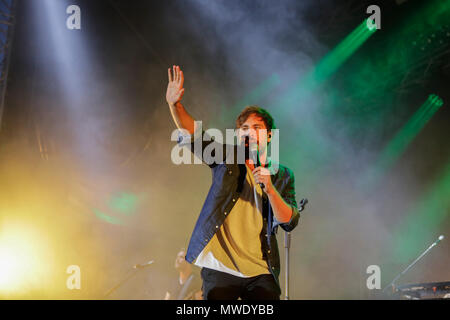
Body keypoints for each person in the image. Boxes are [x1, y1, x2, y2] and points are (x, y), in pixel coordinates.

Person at [165, 65, 300, 300]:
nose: (250, 132)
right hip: (221, 265)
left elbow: (288, 221)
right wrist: (174, 105)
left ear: (269, 135)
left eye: (257, 127)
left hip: (260, 268)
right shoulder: (226, 158)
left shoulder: (283, 174)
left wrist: (270, 189)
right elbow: (196, 136)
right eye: (245, 128)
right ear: (238, 135)